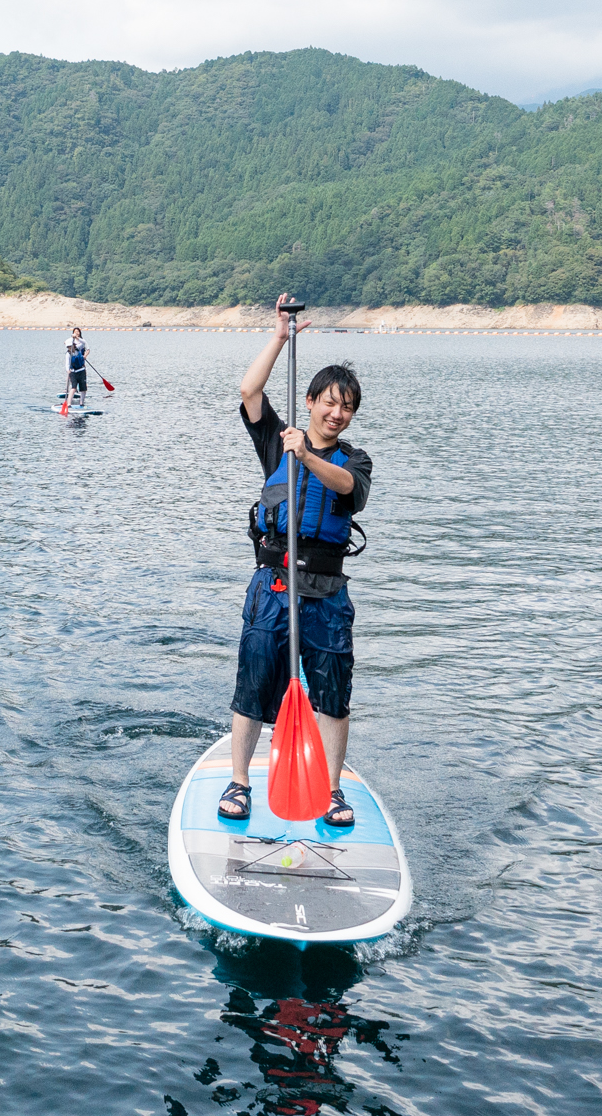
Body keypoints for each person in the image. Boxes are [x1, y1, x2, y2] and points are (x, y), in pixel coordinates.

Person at [220, 294, 371, 828]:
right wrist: (279, 338)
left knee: (332, 693)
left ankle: (331, 791)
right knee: (254, 683)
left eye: (347, 406)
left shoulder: (353, 459)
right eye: (329, 402)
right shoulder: (275, 442)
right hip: (273, 586)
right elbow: (249, 390)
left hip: (326, 594)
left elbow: (349, 489)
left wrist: (306, 456)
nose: (337, 413)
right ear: (310, 401)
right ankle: (239, 784)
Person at [64, 327, 89, 402]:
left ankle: (82, 403)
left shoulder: (79, 347)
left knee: (83, 388)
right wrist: (68, 370)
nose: (70, 348)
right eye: (69, 347)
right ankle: (68, 403)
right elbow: (67, 364)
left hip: (81, 370)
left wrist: (77, 337)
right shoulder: (68, 354)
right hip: (73, 372)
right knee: (74, 387)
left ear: (74, 346)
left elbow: (84, 343)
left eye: (71, 347)